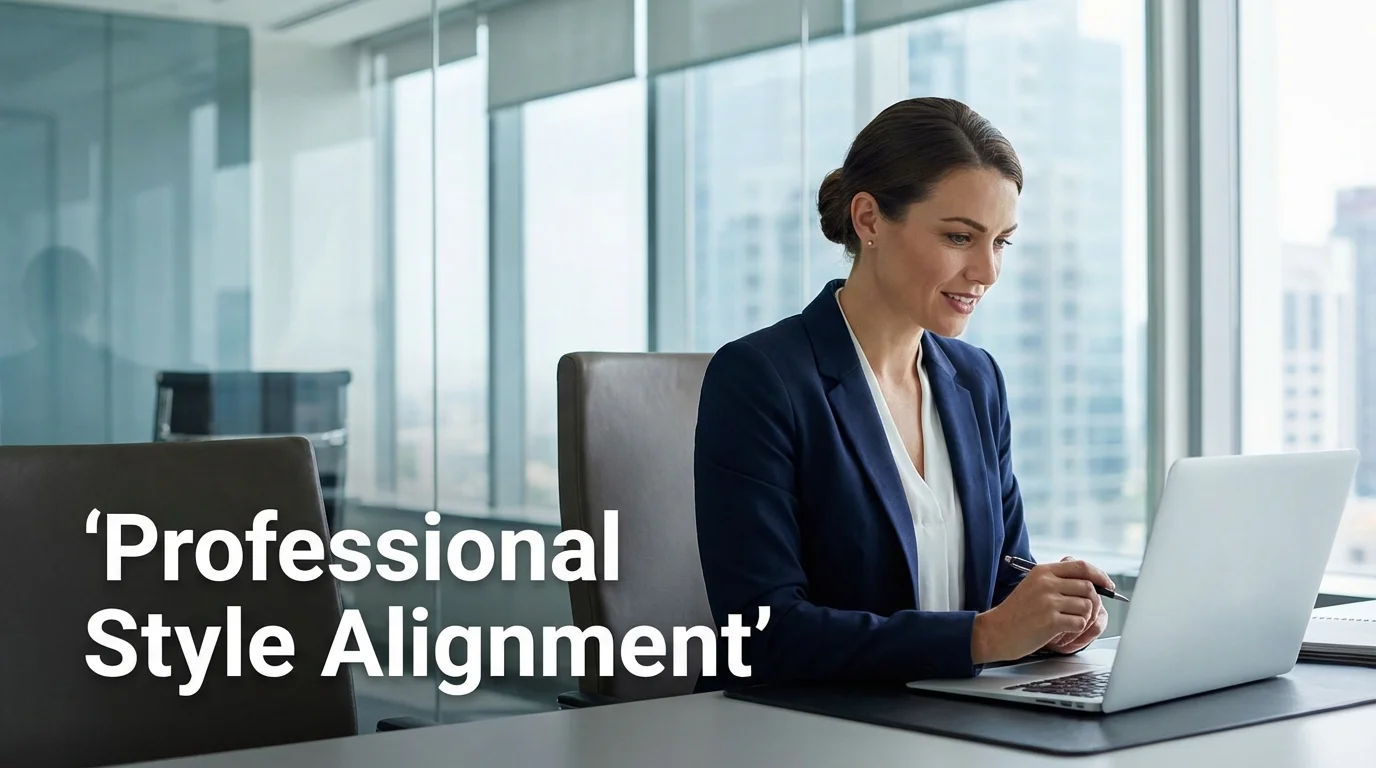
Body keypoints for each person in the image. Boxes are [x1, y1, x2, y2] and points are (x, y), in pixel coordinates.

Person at [693, 97, 1117, 692]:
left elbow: (999, 581)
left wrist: (1048, 615)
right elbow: (764, 636)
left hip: (955, 721)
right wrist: (987, 636)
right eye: (958, 236)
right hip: (811, 732)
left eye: (1001, 242)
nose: (987, 271)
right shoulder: (761, 379)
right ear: (868, 220)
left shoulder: (976, 380)